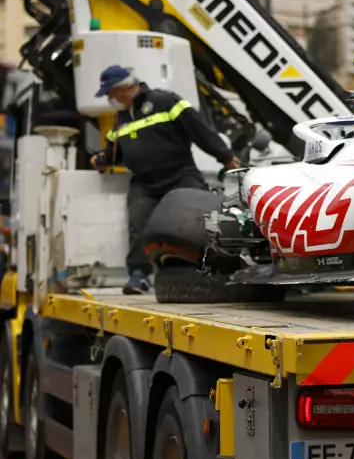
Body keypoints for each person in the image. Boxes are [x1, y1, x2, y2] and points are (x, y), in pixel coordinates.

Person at [89, 65, 241, 295]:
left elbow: (199, 129)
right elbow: (113, 151)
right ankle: (139, 275)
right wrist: (101, 159)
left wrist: (225, 156)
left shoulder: (164, 101)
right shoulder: (120, 118)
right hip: (145, 183)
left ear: (123, 88)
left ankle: (215, 268)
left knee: (200, 220)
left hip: (180, 174)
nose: (111, 98)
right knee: (138, 224)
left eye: (111, 92)